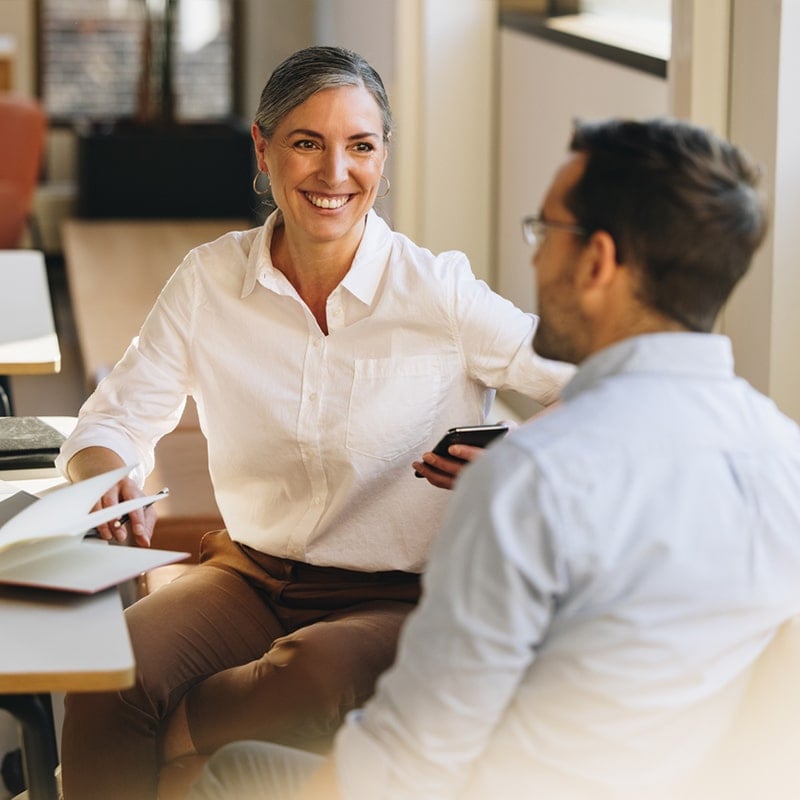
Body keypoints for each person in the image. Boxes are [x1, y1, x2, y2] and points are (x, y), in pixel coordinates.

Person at [186, 117, 800, 800]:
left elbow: (411, 754)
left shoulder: (532, 480)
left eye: (545, 232)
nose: (534, 260)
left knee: (238, 773)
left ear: (596, 262)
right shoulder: (784, 455)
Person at [55, 46, 571, 800]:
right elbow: (113, 418)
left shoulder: (440, 293)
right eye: (307, 143)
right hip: (250, 574)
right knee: (115, 668)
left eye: (360, 146)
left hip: (400, 596)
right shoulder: (209, 281)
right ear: (262, 151)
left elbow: (596, 391)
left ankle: (161, 749)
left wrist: (523, 452)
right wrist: (106, 477)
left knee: (313, 677)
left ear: (383, 159)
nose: (336, 173)